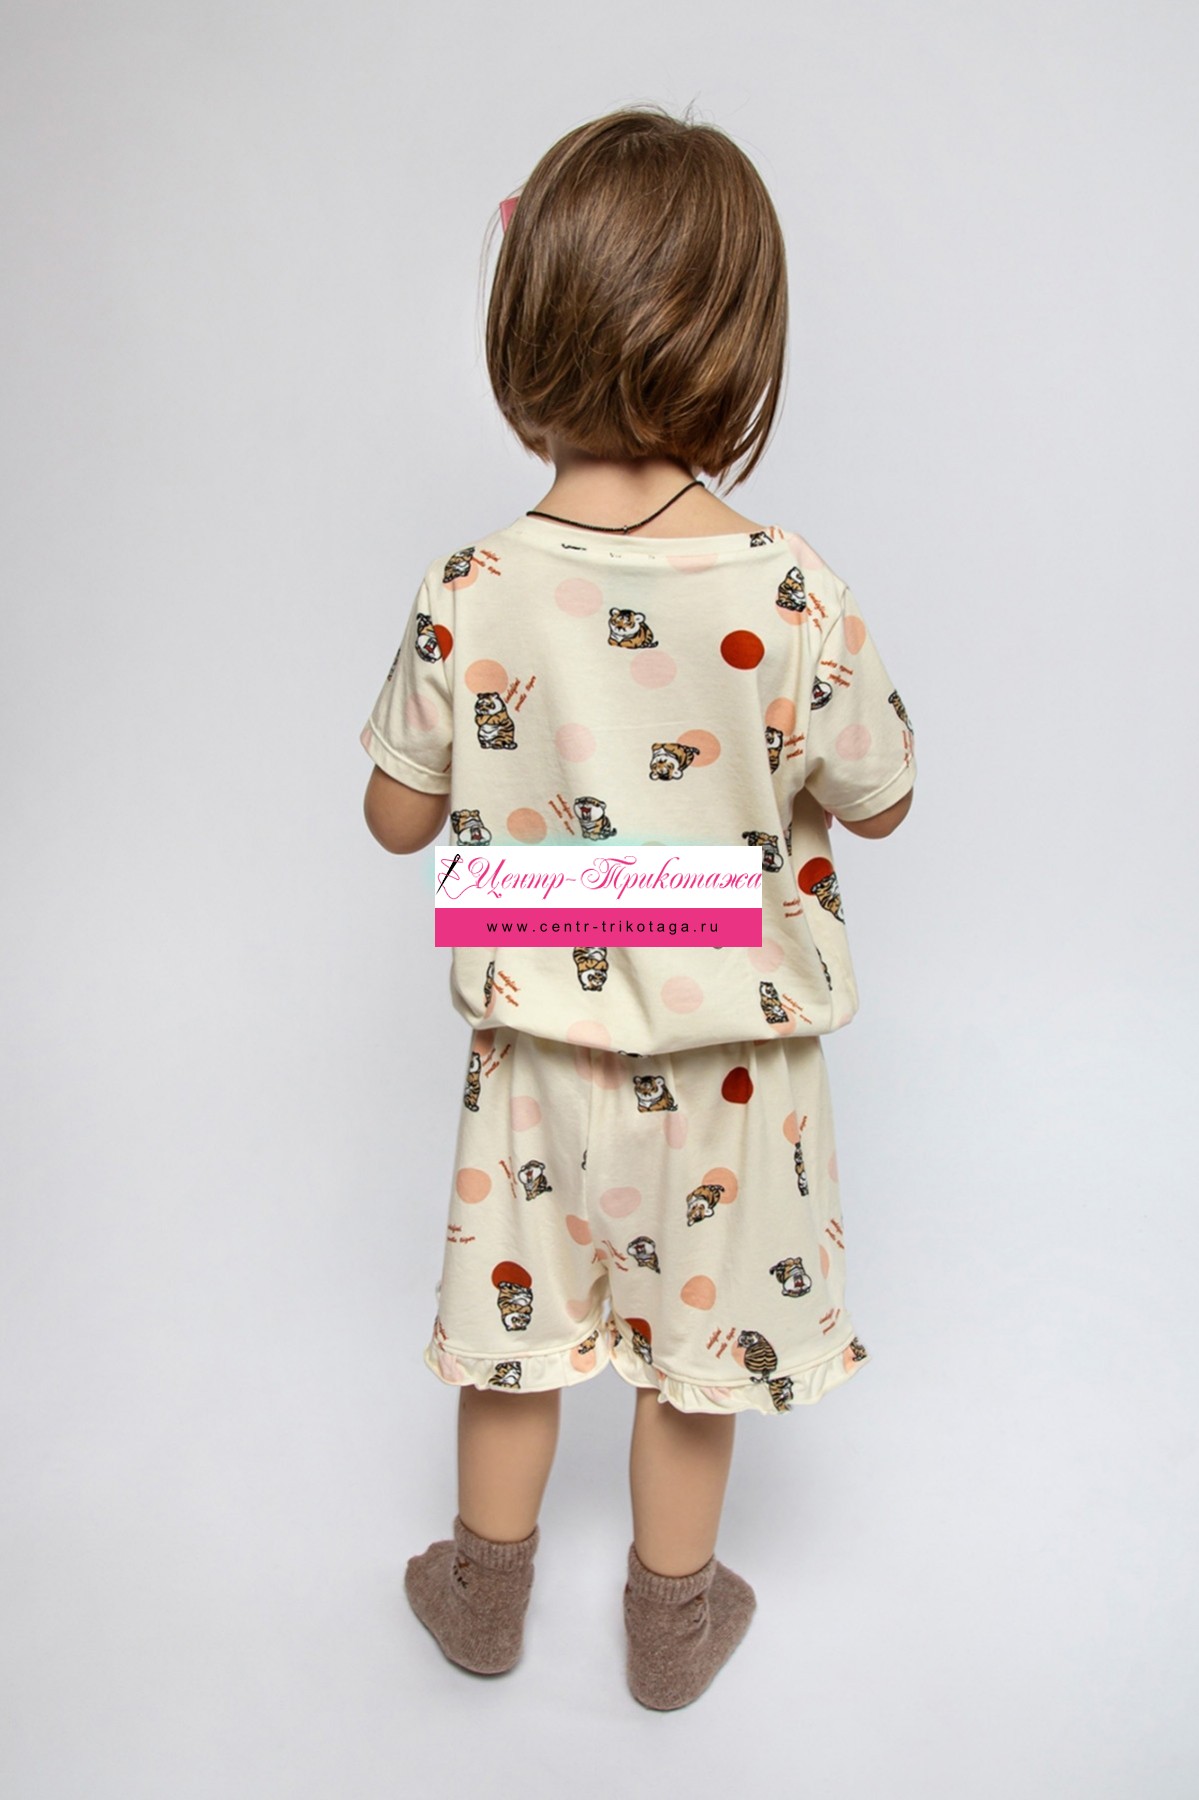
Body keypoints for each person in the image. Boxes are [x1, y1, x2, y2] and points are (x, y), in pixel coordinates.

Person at [359, 104, 917, 1710]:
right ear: (738, 347)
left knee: (517, 1336)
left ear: (525, 321)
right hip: (732, 1064)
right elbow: (883, 797)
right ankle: (672, 1630)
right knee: (696, 1355)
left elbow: (396, 820)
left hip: (535, 1052)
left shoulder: (471, 587)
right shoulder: (793, 590)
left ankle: (482, 1599)